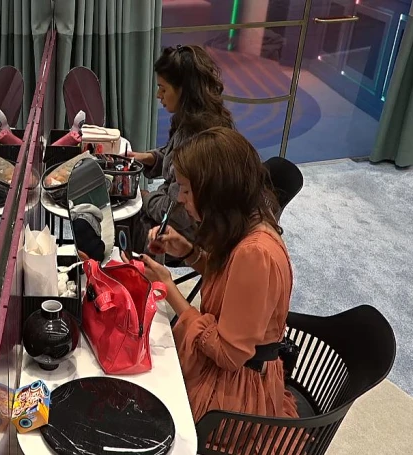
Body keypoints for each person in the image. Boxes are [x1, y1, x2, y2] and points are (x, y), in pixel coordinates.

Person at [136, 127, 299, 423]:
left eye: (186, 190)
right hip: (237, 372)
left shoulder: (255, 254)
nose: (180, 199)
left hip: (235, 395)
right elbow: (229, 282)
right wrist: (188, 251)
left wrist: (167, 288)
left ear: (215, 194)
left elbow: (228, 354)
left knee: (145, 397)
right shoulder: (249, 221)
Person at [123, 44, 235, 255]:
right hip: (175, 212)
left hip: (192, 230)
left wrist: (144, 197)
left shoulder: (201, 140)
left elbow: (178, 213)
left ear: (184, 90)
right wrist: (145, 157)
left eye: (163, 89)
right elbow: (171, 155)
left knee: (122, 227)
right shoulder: (191, 119)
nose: (158, 95)